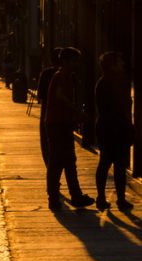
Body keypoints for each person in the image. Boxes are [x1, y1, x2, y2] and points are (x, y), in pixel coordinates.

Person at [44, 46, 94, 211]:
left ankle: (74, 195)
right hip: (58, 123)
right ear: (65, 61)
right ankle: (57, 196)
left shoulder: (63, 75)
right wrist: (77, 111)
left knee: (67, 160)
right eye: (74, 61)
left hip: (60, 122)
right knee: (59, 160)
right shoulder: (62, 76)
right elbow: (60, 96)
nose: (77, 64)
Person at [94, 51, 134, 212]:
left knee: (106, 162)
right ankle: (120, 199)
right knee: (117, 164)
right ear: (113, 65)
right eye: (119, 62)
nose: (122, 64)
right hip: (116, 127)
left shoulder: (101, 83)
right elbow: (124, 107)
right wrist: (129, 126)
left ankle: (102, 197)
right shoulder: (118, 83)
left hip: (106, 126)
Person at [36, 47, 61, 166]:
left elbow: (40, 95)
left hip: (47, 111)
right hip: (62, 114)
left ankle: (50, 168)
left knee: (46, 142)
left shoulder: (46, 73)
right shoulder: (67, 74)